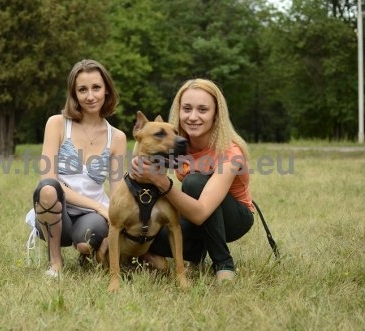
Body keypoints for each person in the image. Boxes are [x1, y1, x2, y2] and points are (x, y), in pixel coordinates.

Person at [132, 78, 254, 282]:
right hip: (195, 210)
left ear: (216, 114)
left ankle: (224, 264)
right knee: (148, 237)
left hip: (234, 218)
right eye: (186, 108)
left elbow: (200, 213)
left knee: (194, 182)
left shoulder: (230, 152)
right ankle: (196, 256)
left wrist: (161, 181)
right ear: (178, 111)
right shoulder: (178, 145)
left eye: (203, 110)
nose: (193, 117)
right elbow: (144, 156)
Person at [26, 59, 127, 277]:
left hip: (90, 215)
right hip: (54, 209)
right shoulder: (57, 124)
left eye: (96, 88)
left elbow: (118, 192)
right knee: (47, 187)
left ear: (107, 90)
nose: (90, 96)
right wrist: (99, 206)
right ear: (74, 94)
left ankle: (87, 253)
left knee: (84, 243)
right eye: (82, 89)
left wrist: (115, 219)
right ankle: (55, 262)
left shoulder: (117, 138)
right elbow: (49, 177)